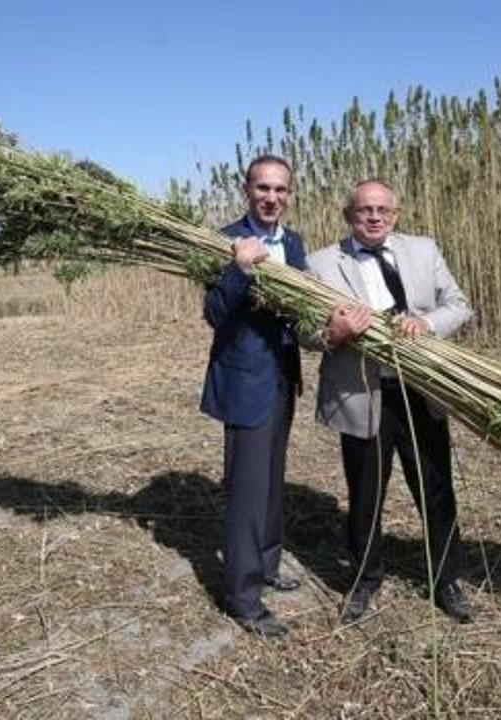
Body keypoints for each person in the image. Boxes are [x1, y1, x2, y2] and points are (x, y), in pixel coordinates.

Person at [305, 179, 475, 624]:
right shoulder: (321, 263)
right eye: (364, 210)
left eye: (383, 210)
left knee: (435, 489)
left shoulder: (423, 250)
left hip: (420, 390)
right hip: (362, 393)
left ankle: (446, 579)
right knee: (365, 494)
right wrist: (334, 334)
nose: (374, 217)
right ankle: (364, 579)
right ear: (349, 215)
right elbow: (303, 331)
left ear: (395, 215)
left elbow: (459, 305)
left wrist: (427, 322)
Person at [200, 155, 306, 638]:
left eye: (281, 190)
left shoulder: (295, 243)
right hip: (247, 381)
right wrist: (239, 269)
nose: (272, 198)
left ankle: (267, 563)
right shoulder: (224, 241)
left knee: (271, 480)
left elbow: (301, 311)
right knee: (246, 489)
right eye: (263, 188)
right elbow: (215, 312)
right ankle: (243, 598)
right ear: (247, 190)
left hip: (284, 377)